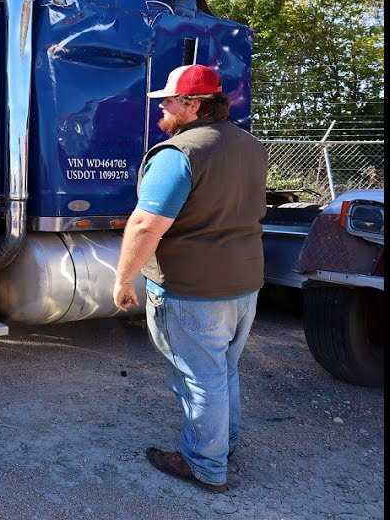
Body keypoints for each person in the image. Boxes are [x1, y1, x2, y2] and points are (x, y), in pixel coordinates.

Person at [112, 63, 267, 494]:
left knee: (200, 376)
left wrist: (123, 278)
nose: (162, 107)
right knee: (222, 369)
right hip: (244, 283)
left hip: (193, 288)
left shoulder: (179, 153)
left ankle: (204, 463)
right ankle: (222, 446)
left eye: (169, 100)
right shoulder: (251, 146)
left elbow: (146, 225)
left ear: (194, 105)